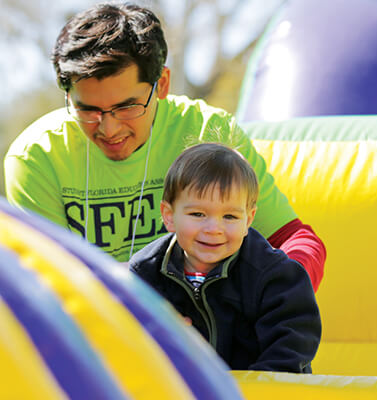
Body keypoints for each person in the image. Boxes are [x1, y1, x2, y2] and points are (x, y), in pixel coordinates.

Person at [3, 2, 325, 290]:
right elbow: (50, 281)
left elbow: (294, 239)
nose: (109, 128)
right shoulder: (36, 157)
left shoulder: (209, 131)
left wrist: (283, 290)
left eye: (127, 107)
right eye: (88, 110)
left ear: (162, 85)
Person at [129, 143, 321, 372]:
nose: (214, 229)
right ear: (169, 216)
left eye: (229, 216)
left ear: (248, 220)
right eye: (198, 214)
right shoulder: (145, 274)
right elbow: (122, 340)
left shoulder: (274, 276)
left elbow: (292, 344)